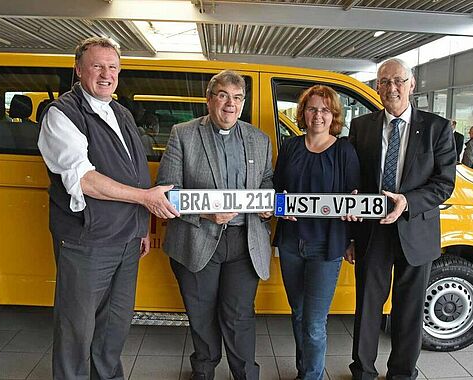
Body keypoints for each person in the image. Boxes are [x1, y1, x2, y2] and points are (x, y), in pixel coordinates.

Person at [37, 37, 178, 379]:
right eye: (97, 66)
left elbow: (137, 173)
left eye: (112, 67)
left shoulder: (120, 112)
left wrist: (142, 227)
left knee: (114, 327)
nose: (106, 74)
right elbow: (84, 179)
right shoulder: (62, 114)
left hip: (127, 241)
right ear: (78, 69)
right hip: (88, 243)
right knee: (77, 331)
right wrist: (146, 200)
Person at [156, 70, 273, 380]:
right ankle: (204, 369)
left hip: (243, 241)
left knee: (239, 315)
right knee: (201, 313)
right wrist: (206, 213)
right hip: (197, 238)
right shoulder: (183, 134)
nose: (229, 105)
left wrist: (266, 206)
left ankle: (245, 373)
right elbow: (167, 191)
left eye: (237, 98)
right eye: (223, 96)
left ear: (243, 102)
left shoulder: (259, 139)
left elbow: (266, 181)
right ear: (209, 99)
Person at [346, 58, 456, 380]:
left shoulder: (437, 128)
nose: (390, 88)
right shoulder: (361, 127)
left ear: (412, 83)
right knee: (367, 308)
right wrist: (351, 234)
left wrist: (407, 201)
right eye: (383, 82)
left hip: (416, 231)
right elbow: (354, 181)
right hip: (372, 233)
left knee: (408, 311)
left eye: (397, 81)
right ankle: (363, 372)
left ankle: (402, 374)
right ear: (376, 87)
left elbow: (444, 183)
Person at [273, 85, 360, 380]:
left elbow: (354, 197)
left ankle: (312, 376)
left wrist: (352, 231)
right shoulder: (290, 148)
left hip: (326, 246)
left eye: (325, 110)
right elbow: (275, 190)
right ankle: (305, 371)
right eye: (312, 108)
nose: (318, 115)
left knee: (313, 322)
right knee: (298, 315)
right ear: (303, 113)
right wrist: (281, 203)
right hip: (291, 243)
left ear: (333, 114)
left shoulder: (345, 150)